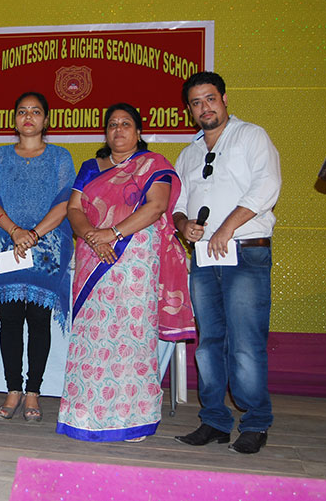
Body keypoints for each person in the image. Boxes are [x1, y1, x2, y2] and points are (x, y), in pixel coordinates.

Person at [56, 103, 194, 442]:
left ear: (139, 131)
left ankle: (133, 419)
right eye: (113, 124)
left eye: (126, 123)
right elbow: (74, 209)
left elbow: (157, 206)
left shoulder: (153, 165)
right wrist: (94, 237)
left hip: (134, 262)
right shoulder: (91, 168)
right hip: (93, 258)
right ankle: (84, 414)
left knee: (131, 338)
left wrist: (113, 233)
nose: (118, 129)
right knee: (92, 337)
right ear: (106, 133)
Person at [173, 72, 281, 455]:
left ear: (224, 100)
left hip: (245, 251)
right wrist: (183, 225)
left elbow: (266, 186)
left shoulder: (252, 136)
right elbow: (178, 204)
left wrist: (226, 228)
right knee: (208, 343)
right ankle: (215, 420)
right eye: (196, 103)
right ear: (189, 110)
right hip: (204, 258)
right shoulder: (188, 154)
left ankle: (255, 422)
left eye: (210, 99)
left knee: (246, 342)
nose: (205, 107)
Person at [0, 91, 75, 422]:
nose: (28, 117)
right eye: (22, 111)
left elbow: (65, 203)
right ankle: (13, 390)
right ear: (14, 119)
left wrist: (33, 234)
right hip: (6, 245)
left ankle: (34, 391)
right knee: (10, 321)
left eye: (35, 111)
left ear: (46, 120)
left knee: (39, 321)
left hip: (46, 248)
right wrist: (16, 232)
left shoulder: (60, 157)